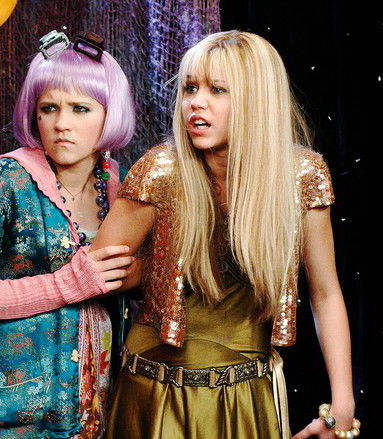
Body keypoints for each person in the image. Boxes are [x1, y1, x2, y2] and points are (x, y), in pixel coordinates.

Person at [92, 31, 359, 439]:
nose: (196, 102)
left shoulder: (301, 176)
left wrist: (342, 405)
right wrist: (153, 264)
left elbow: (325, 293)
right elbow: (97, 274)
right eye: (190, 89)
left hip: (246, 393)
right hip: (156, 390)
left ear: (257, 99)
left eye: (217, 90)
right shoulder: (161, 170)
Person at [0, 30, 137, 439]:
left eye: (81, 108)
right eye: (49, 108)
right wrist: (65, 285)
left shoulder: (119, 184)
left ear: (110, 114)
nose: (61, 124)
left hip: (94, 405)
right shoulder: (5, 181)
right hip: (15, 413)